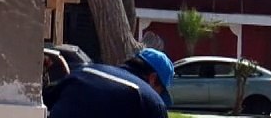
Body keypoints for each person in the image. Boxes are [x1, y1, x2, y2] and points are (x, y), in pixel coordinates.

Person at [44, 47, 175, 118]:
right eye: (161, 91)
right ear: (153, 78)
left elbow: (44, 100)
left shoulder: (84, 72)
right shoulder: (151, 101)